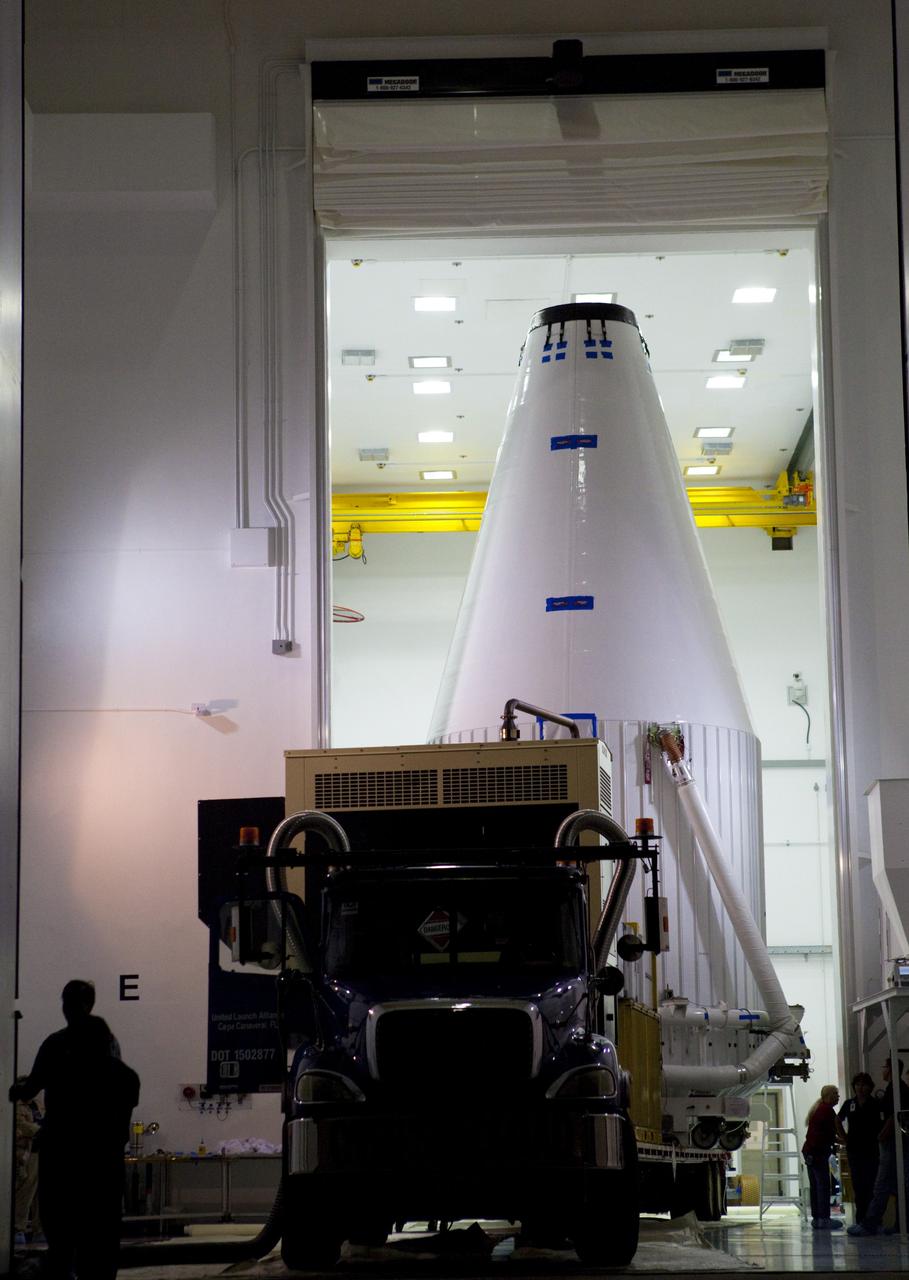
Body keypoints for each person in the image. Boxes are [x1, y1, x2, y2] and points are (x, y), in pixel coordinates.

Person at [847, 1057, 909, 1236]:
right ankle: (899, 1225)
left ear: (890, 1069)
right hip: (885, 1145)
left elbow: (893, 1116)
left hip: (891, 1144)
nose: (882, 1070)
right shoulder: (894, 1089)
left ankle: (870, 1224)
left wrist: (882, 1136)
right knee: (896, 1185)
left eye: (884, 1067)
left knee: (881, 1185)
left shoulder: (895, 1090)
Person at [838, 1071, 884, 1223]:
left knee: (871, 1185)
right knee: (858, 1186)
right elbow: (837, 1120)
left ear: (870, 1087)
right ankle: (860, 1219)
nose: (860, 1088)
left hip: (871, 1150)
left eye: (864, 1085)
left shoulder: (876, 1104)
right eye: (857, 1085)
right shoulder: (849, 1104)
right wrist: (844, 1138)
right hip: (854, 1150)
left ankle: (873, 1220)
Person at [802, 1083, 846, 1229]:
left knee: (815, 1186)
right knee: (823, 1186)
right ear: (828, 1095)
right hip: (817, 1153)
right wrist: (847, 1140)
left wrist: (839, 1140)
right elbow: (837, 1129)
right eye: (835, 1094)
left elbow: (827, 1134)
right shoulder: (827, 1110)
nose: (838, 1097)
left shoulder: (818, 1109)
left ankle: (817, 1218)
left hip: (810, 1152)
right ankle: (824, 1218)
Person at [13, 1086, 42, 1245]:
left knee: (41, 1194)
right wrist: (41, 1131)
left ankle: (40, 1229)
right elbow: (24, 1126)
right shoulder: (17, 1107)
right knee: (26, 1190)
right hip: (27, 1154)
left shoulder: (37, 1104)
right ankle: (19, 1228)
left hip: (41, 1152)